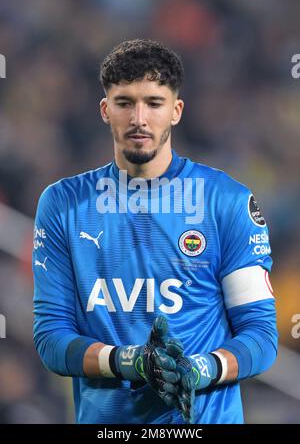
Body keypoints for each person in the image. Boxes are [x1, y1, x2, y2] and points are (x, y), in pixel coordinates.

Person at [32, 39, 278, 424]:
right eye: (125, 102)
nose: (139, 119)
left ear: (176, 111)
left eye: (154, 103)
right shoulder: (63, 204)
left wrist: (200, 370)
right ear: (105, 110)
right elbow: (51, 339)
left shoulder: (225, 202)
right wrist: (129, 362)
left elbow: (261, 336)